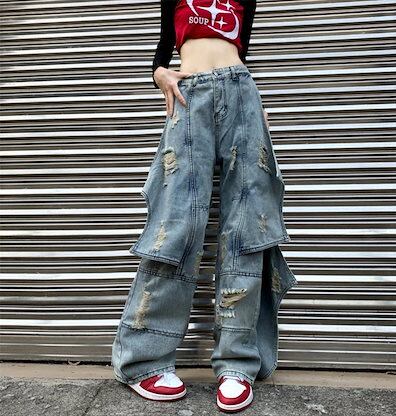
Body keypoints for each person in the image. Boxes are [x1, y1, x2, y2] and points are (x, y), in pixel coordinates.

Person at [111, 0, 298, 413]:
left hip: (242, 93)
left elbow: (241, 51)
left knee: (248, 225)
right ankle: (144, 358)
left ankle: (237, 363)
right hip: (189, 93)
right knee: (176, 220)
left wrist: (256, 107)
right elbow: (164, 49)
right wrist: (159, 73)